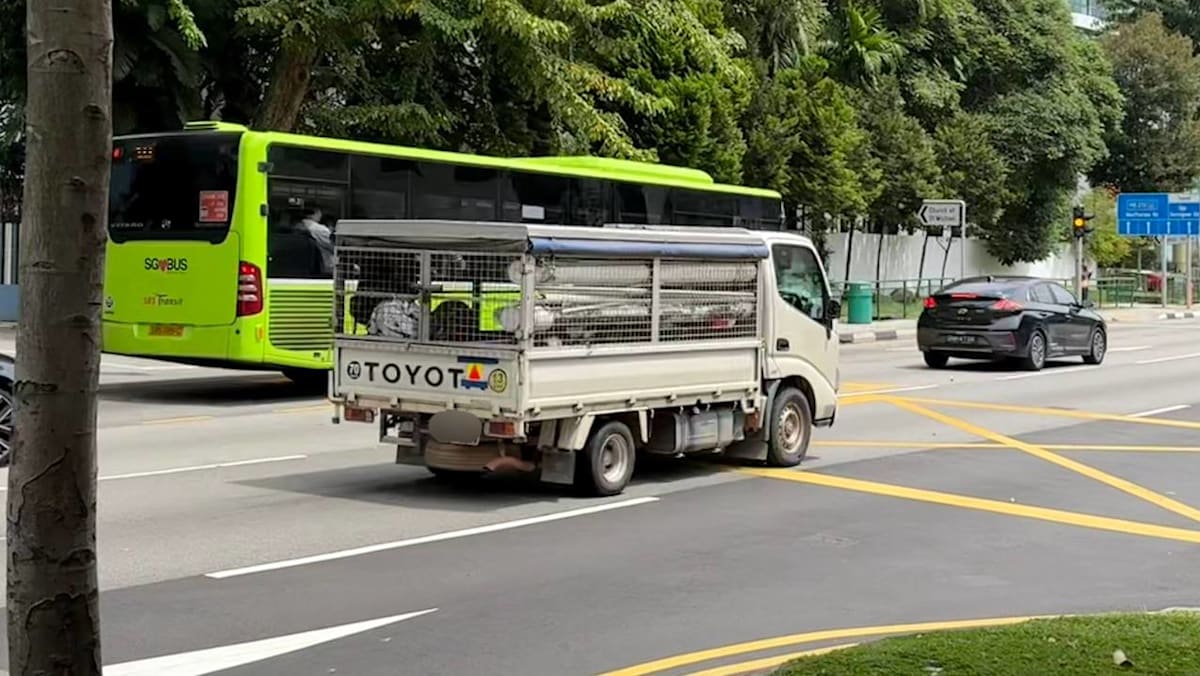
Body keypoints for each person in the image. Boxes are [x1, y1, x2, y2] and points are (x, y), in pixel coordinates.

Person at [295, 206, 335, 274]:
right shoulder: (320, 229)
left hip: (300, 266)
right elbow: (334, 248)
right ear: (317, 213)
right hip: (325, 267)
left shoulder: (296, 226)